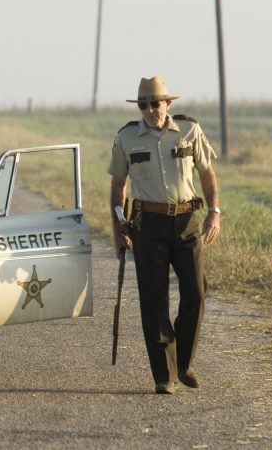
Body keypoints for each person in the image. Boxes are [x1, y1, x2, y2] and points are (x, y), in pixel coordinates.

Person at [107, 76, 221, 394]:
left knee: (196, 292)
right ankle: (164, 376)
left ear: (167, 104)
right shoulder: (127, 138)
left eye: (154, 104)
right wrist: (118, 230)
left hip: (187, 222)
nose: (149, 110)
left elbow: (207, 173)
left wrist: (215, 212)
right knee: (154, 301)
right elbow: (118, 187)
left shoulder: (189, 131)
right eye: (143, 105)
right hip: (148, 225)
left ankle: (182, 362)